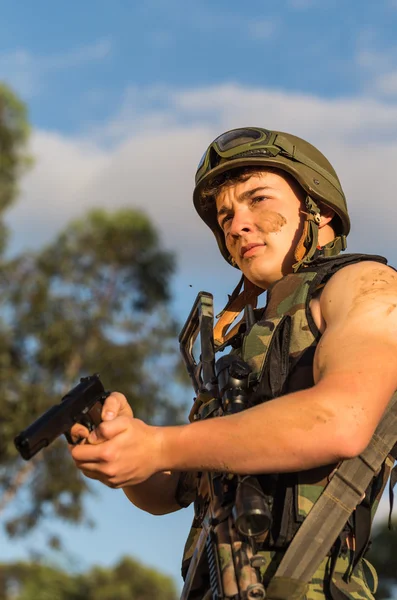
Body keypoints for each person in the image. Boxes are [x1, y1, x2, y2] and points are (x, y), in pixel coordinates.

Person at [69, 127, 397, 599]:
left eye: (258, 199)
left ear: (318, 210)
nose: (236, 224)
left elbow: (340, 420)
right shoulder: (247, 341)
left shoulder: (364, 284)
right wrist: (121, 446)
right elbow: (176, 489)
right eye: (226, 215)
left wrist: (159, 446)